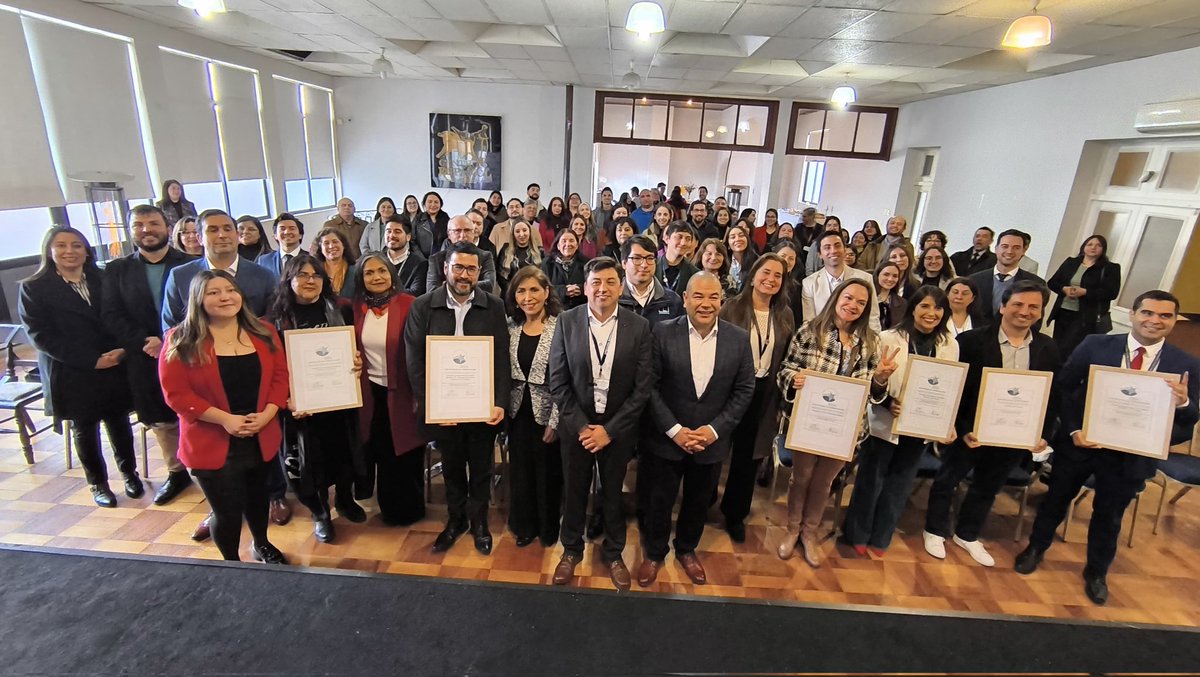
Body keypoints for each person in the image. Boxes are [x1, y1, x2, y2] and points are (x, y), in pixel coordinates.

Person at [1016, 290, 1199, 605]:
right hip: (1082, 445)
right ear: (1132, 314)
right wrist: (1073, 429)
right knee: (1055, 501)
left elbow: (1190, 418)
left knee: (1110, 516)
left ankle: (1097, 572)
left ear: (1173, 321)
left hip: (1131, 456)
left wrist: (1182, 402)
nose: (1154, 321)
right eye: (1148, 313)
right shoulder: (1096, 345)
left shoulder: (1185, 364)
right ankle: (1036, 548)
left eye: (1164, 316)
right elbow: (1065, 388)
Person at [922, 280, 1061, 567]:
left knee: (988, 486)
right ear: (1003, 306)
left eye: (1033, 306)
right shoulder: (971, 342)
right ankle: (934, 530)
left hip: (1012, 435)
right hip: (969, 432)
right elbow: (954, 388)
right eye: (1018, 304)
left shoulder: (1048, 348)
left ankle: (967, 533)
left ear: (1041, 311)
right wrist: (961, 427)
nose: (1025, 311)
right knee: (947, 480)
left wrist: (1043, 433)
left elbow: (1052, 395)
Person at [159, 270, 290, 564]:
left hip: (260, 434)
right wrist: (225, 420)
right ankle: (231, 563)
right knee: (227, 512)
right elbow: (176, 395)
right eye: (213, 292)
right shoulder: (180, 339)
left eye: (230, 290)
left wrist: (268, 414)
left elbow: (280, 378)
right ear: (198, 300)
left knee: (258, 500)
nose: (225, 297)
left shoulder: (263, 331)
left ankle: (261, 543)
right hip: (212, 439)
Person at [637, 272, 755, 586]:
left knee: (698, 500)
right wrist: (674, 429)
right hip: (666, 438)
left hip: (711, 442)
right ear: (685, 299)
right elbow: (649, 387)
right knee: (659, 500)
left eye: (713, 297)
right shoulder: (661, 332)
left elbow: (744, 390)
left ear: (722, 300)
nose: (706, 304)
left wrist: (714, 431)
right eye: (698, 297)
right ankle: (654, 552)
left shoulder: (739, 339)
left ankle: (687, 549)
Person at [548, 257, 653, 591]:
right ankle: (571, 550)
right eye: (596, 282)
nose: (602, 289)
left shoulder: (639, 326)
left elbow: (643, 387)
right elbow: (557, 380)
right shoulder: (567, 321)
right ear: (586, 285)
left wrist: (610, 430)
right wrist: (581, 426)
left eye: (610, 282)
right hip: (576, 426)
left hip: (617, 429)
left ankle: (614, 553)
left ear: (621, 286)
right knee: (574, 489)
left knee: (612, 492)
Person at [20, 226, 141, 508]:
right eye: (61, 246)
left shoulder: (103, 278)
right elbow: (39, 335)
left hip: (114, 361)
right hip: (72, 369)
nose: (69, 251)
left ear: (86, 250)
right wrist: (90, 360)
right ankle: (97, 482)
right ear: (50, 252)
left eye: (76, 245)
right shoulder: (34, 287)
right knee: (84, 428)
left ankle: (129, 473)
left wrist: (123, 349)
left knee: (119, 422)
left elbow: (123, 314)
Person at [405, 242, 510, 555]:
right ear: (445, 269)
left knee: (481, 468)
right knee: (451, 468)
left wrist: (500, 402)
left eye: (471, 268)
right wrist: (432, 407)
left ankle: (479, 522)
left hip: (481, 406)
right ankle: (455, 520)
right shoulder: (423, 306)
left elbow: (501, 358)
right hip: (444, 409)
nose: (465, 275)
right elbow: (415, 361)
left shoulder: (494, 306)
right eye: (459, 267)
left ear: (480, 271)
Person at [776, 279, 891, 567]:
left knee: (824, 482)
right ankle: (792, 529)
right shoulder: (809, 331)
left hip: (846, 428)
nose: (852, 305)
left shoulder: (871, 342)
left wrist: (880, 380)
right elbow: (786, 370)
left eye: (860, 303)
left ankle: (810, 532)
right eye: (848, 298)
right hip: (807, 423)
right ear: (837, 297)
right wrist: (794, 379)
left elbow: (873, 395)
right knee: (801, 478)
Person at [844, 286, 957, 556]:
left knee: (900, 484)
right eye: (925, 307)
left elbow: (950, 386)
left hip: (920, 426)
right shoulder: (887, 338)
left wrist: (945, 421)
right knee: (871, 481)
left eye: (938, 308)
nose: (932, 313)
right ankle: (858, 533)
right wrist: (887, 401)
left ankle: (882, 537)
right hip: (884, 422)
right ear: (913, 308)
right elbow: (871, 382)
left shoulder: (950, 344)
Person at [101, 206, 194, 506]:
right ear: (130, 231)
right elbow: (111, 314)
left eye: (153, 223)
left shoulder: (191, 264)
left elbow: (201, 307)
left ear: (167, 227)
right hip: (143, 355)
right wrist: (144, 341)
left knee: (196, 409)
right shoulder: (117, 270)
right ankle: (176, 471)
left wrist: (170, 339)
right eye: (138, 225)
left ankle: (208, 469)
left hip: (188, 348)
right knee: (160, 419)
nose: (146, 229)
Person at [269, 257, 367, 542]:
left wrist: (356, 361)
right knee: (312, 462)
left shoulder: (342, 309)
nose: (310, 280)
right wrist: (287, 398)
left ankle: (345, 500)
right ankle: (320, 511)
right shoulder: (276, 319)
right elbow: (273, 366)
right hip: (302, 406)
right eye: (302, 275)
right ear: (289, 279)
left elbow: (353, 347)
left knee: (345, 453)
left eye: (316, 275)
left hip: (340, 397)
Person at [717, 254, 794, 543]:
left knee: (748, 458)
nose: (771, 279)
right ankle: (705, 502)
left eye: (778, 275)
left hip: (764, 392)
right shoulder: (732, 308)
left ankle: (735, 513)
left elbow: (785, 357)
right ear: (753, 275)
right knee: (717, 450)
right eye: (766, 272)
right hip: (729, 390)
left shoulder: (784, 314)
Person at [354, 254, 427, 527]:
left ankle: (412, 508)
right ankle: (389, 509)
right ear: (361, 279)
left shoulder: (410, 304)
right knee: (382, 450)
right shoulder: (356, 308)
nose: (377, 277)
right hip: (371, 393)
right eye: (369, 273)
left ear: (391, 273)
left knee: (406, 450)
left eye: (382, 271)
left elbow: (421, 349)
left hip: (405, 391)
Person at [504, 266, 563, 547]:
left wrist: (555, 421)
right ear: (515, 296)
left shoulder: (561, 326)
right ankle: (524, 525)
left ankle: (548, 527)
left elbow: (567, 379)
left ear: (546, 292)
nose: (528, 297)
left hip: (549, 413)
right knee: (521, 471)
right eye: (521, 291)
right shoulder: (510, 327)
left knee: (548, 473)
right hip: (517, 413)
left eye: (534, 290)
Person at [162, 210, 277, 330]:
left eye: (227, 229)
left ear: (237, 236)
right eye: (213, 230)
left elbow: (270, 323)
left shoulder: (264, 275)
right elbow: (170, 327)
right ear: (199, 238)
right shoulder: (180, 276)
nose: (222, 235)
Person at [1047, 235, 1122, 359]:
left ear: (1103, 249)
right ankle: (1054, 374)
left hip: (1085, 317)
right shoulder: (1071, 262)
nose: (1093, 248)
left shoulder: (1110, 268)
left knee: (1069, 349)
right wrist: (1064, 289)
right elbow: (1052, 282)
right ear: (1084, 247)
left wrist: (1086, 292)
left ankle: (1064, 375)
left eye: (1098, 245)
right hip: (1063, 312)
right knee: (1057, 346)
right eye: (1090, 244)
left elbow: (1111, 293)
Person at [802, 231, 881, 333]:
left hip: (857, 339)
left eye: (837, 246)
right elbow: (809, 321)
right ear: (820, 254)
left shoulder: (865, 278)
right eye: (827, 247)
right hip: (822, 339)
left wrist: (872, 343)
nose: (833, 251)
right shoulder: (809, 283)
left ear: (844, 250)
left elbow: (872, 317)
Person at [966, 229, 1045, 328]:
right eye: (1005, 246)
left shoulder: (1036, 284)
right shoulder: (974, 280)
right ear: (996, 248)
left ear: (1024, 251)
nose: (1009, 251)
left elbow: (1035, 321)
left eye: (1016, 248)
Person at [618, 234, 685, 326]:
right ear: (624, 263)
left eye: (650, 258)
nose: (644, 265)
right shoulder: (613, 299)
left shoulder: (673, 301)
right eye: (637, 258)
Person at [427, 215, 498, 294]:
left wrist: (451, 284)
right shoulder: (436, 259)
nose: (463, 236)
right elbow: (432, 290)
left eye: (467, 230)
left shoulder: (485, 256)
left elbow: (489, 285)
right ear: (449, 234)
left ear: (473, 233)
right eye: (457, 231)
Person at [380, 216, 428, 298]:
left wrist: (381, 291)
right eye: (388, 231)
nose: (391, 235)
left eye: (397, 232)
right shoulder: (376, 260)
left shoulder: (420, 263)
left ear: (408, 237)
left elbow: (416, 293)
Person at [542, 228, 588, 311]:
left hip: (580, 310)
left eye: (571, 241)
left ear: (577, 245)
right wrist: (564, 291)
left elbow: (592, 285)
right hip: (555, 310)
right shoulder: (547, 263)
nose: (568, 244)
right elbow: (543, 288)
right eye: (564, 241)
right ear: (558, 246)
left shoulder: (586, 263)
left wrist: (581, 289)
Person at [255, 213, 306, 279]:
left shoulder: (312, 258)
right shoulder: (264, 261)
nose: (287, 232)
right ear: (275, 235)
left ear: (300, 235)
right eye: (282, 229)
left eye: (292, 228)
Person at [497, 220, 543, 292]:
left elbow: (543, 276)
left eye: (524, 230)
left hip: (534, 292)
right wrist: (515, 291)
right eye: (517, 231)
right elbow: (500, 276)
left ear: (530, 232)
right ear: (513, 234)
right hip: (510, 294)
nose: (521, 234)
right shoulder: (505, 250)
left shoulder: (540, 251)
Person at [310, 227, 356, 297]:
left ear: (343, 245)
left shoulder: (356, 271)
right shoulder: (315, 272)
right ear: (320, 249)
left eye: (335, 241)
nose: (331, 246)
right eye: (326, 243)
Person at [657, 221, 699, 295]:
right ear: (666, 238)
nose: (683, 243)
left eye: (688, 239)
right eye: (679, 237)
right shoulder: (651, 266)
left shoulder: (694, 273)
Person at [873, 261, 907, 331]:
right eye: (886, 274)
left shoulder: (902, 303)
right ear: (878, 275)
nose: (890, 279)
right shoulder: (867, 297)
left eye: (895, 276)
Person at [725, 222, 757, 291]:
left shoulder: (757, 261)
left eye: (741, 235)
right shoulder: (723, 262)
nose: (737, 239)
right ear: (728, 244)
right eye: (733, 237)